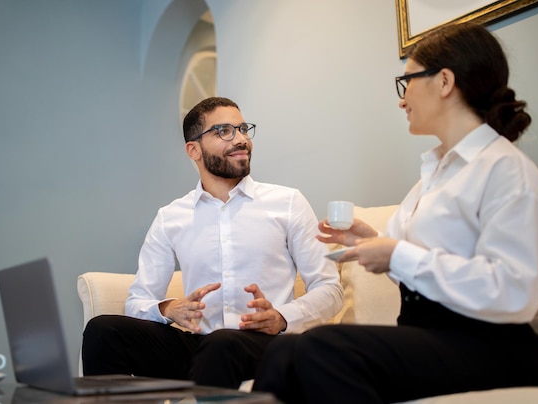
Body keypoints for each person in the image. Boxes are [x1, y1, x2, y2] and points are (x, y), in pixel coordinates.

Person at [253, 22, 538, 403]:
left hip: (493, 346)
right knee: (282, 352)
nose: (401, 98)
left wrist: (397, 254)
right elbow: (423, 268)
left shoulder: (506, 169)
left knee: (323, 347)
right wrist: (373, 245)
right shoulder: (433, 176)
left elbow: (513, 291)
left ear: (444, 81)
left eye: (406, 81)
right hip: (430, 338)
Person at [82, 96, 344, 389]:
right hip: (200, 345)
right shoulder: (171, 217)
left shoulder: (287, 203)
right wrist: (170, 309)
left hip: (267, 346)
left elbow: (330, 290)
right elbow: (138, 302)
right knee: (103, 330)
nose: (241, 139)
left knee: (222, 344)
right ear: (193, 149)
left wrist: (281, 317)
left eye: (243, 129)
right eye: (224, 131)